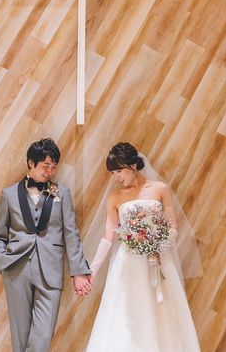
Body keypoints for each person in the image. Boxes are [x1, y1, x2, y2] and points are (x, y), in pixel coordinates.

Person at [85, 142, 202, 351]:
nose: (116, 177)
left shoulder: (159, 189)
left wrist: (159, 246)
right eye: (113, 173)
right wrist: (91, 271)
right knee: (126, 314)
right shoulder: (115, 197)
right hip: (129, 264)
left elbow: (172, 226)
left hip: (158, 259)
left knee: (162, 315)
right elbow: (108, 238)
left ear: (133, 165)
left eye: (119, 170)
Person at [0, 138, 92, 352]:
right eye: (46, 166)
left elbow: (71, 234)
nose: (50, 172)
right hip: (16, 268)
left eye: (54, 167)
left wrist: (79, 272)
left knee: (44, 334)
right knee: (20, 335)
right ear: (31, 162)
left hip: (51, 270)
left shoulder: (62, 194)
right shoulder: (9, 194)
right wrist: (2, 261)